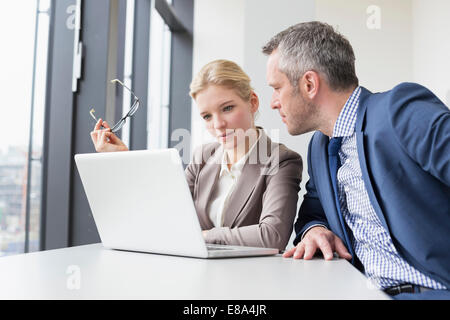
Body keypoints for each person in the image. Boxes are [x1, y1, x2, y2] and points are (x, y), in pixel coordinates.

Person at [262, 21, 450, 299]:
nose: (273, 102)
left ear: (310, 84)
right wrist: (315, 230)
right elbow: (313, 213)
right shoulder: (320, 145)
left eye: (277, 88)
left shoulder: (399, 111)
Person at [90, 59, 303, 251]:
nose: (218, 125)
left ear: (253, 102)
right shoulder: (203, 157)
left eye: (227, 108)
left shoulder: (281, 160)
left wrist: (205, 236)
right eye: (207, 116)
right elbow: (168, 213)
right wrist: (124, 160)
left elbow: (272, 236)